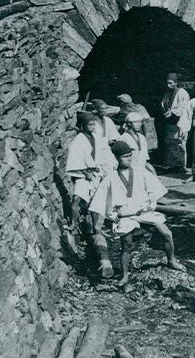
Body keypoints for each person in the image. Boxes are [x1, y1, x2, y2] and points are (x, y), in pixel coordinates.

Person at [105, 140, 185, 284]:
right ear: (117, 158)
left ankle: (171, 260)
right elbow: (104, 202)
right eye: (125, 156)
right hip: (126, 215)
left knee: (167, 233)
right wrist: (114, 217)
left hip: (143, 212)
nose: (129, 158)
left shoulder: (140, 170)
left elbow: (155, 188)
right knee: (127, 245)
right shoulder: (111, 177)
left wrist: (152, 202)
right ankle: (125, 275)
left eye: (130, 155)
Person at [65, 111, 117, 277]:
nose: (92, 127)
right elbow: (75, 159)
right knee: (76, 199)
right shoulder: (79, 141)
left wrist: (102, 169)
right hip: (83, 175)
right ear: (82, 126)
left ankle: (96, 226)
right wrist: (83, 171)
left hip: (95, 173)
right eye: (89, 125)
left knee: (96, 202)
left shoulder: (97, 138)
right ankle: (73, 224)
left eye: (94, 124)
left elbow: (104, 154)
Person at [160, 73, 192, 172]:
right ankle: (172, 164)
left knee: (179, 143)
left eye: (170, 83)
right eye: (167, 83)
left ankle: (181, 165)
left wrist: (173, 112)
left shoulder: (182, 93)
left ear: (176, 83)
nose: (168, 85)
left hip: (179, 122)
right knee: (170, 143)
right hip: (170, 123)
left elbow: (184, 106)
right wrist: (165, 111)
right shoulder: (167, 93)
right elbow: (163, 103)